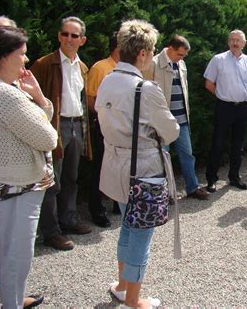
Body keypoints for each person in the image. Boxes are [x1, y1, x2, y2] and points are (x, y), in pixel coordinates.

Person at [96, 19, 179, 308]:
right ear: (143, 53)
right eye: (152, 50)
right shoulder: (145, 89)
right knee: (141, 235)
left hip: (115, 169)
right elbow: (171, 132)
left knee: (128, 227)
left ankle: (121, 285)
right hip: (144, 173)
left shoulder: (107, 79)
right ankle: (133, 299)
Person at [0, 26, 58, 308]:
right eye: (21, 53)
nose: (25, 58)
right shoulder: (6, 96)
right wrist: (39, 104)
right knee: (16, 256)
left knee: (8, 252)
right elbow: (49, 137)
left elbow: (43, 119)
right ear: (5, 56)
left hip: (13, 185)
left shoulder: (11, 90)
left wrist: (38, 97)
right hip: (19, 187)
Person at [31, 16, 92, 251]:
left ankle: (69, 220)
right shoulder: (45, 63)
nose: (69, 39)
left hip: (76, 126)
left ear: (82, 40)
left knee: (70, 177)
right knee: (51, 181)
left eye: (74, 35)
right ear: (59, 36)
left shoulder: (83, 67)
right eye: (65, 34)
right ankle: (51, 231)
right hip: (55, 127)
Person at [144, 34, 209, 200]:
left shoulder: (181, 64)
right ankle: (166, 193)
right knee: (162, 158)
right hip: (161, 121)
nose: (182, 58)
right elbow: (146, 93)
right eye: (180, 54)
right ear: (170, 49)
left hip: (182, 120)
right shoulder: (153, 63)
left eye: (184, 56)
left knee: (187, 154)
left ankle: (192, 187)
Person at [204, 29, 247, 192]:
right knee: (218, 143)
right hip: (224, 107)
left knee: (238, 145)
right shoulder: (218, 59)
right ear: (228, 42)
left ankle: (234, 177)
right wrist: (222, 95)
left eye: (238, 40)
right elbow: (209, 84)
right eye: (232, 40)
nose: (235, 43)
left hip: (242, 108)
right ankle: (211, 179)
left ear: (244, 43)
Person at [86, 32, 120, 227]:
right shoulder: (101, 68)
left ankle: (117, 203)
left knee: (119, 165)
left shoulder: (125, 69)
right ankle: (96, 209)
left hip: (121, 126)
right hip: (104, 125)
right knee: (100, 166)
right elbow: (90, 98)